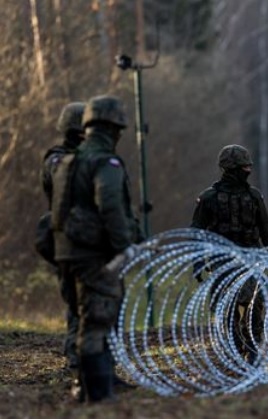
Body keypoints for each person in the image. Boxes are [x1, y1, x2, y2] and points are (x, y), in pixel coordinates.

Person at [51, 94, 141, 402]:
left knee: (82, 319)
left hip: (67, 253)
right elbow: (111, 206)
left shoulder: (67, 161)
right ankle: (99, 396)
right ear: (112, 127)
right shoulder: (106, 162)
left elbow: (58, 211)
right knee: (98, 323)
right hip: (94, 256)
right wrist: (124, 246)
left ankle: (85, 389)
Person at [190, 144, 268, 365]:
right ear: (231, 168)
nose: (248, 170)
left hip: (252, 258)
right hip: (223, 261)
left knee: (255, 307)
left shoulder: (254, 196)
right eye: (243, 167)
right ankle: (236, 347)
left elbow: (266, 230)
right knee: (226, 310)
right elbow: (197, 233)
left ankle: (253, 347)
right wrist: (198, 262)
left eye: (248, 166)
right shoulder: (209, 198)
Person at [40, 102, 85, 373]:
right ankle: (75, 355)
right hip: (67, 237)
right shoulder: (56, 158)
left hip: (86, 237)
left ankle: (83, 355)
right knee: (76, 300)